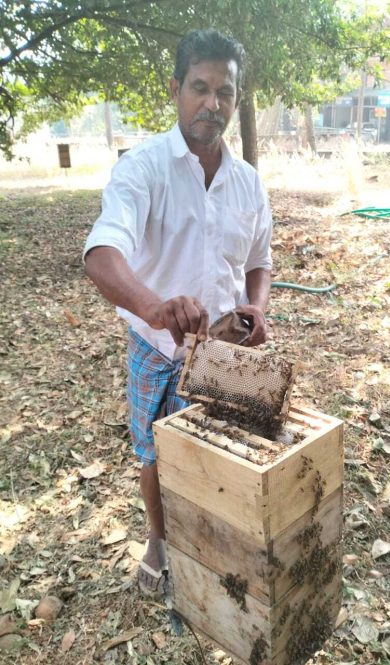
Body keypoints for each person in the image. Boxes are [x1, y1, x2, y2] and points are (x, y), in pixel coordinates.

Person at [83, 29, 272, 597]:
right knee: (150, 450)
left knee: (210, 452)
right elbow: (101, 254)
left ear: (236, 100)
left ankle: (208, 551)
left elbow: (260, 261)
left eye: (225, 92)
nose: (212, 103)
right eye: (200, 87)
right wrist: (153, 306)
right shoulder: (142, 170)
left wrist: (256, 309)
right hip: (152, 345)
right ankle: (161, 543)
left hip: (219, 351)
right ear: (176, 90)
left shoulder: (249, 184)